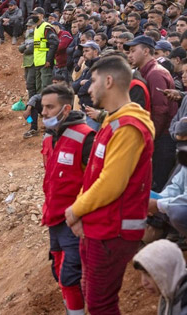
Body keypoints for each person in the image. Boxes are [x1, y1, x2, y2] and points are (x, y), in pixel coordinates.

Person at [65, 56, 155, 314]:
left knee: (100, 304)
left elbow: (111, 184)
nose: (88, 88)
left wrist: (76, 209)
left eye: (92, 81)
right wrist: (81, 211)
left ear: (108, 81)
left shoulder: (128, 127)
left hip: (112, 231)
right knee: (90, 293)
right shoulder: (112, 122)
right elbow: (94, 174)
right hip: (100, 226)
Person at [40, 84, 94, 315]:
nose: (44, 113)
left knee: (71, 276)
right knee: (59, 270)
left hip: (76, 222)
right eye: (43, 107)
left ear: (66, 108)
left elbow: (96, 183)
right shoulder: (48, 139)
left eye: (50, 107)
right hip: (54, 218)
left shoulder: (86, 138)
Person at [125, 36, 178, 193]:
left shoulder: (155, 73)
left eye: (134, 51)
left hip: (162, 137)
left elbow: (160, 110)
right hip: (158, 135)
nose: (130, 55)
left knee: (157, 183)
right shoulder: (145, 72)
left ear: (146, 51)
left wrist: (150, 137)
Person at [133, 240, 187, 315]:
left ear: (167, 271)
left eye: (149, 274)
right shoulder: (170, 294)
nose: (144, 282)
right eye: (142, 274)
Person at [31, 14, 60, 93]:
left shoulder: (46, 27)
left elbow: (54, 43)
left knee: (46, 88)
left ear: (41, 15)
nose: (33, 16)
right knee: (39, 88)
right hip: (38, 62)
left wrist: (49, 60)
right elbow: (37, 47)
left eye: (35, 13)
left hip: (45, 63)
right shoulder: (36, 28)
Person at [19, 21, 36, 98]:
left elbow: (31, 49)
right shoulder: (28, 37)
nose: (28, 28)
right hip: (26, 62)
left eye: (30, 26)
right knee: (27, 82)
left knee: (31, 83)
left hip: (33, 62)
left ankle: (32, 102)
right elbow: (20, 48)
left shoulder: (37, 36)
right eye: (27, 27)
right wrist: (25, 47)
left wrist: (26, 49)